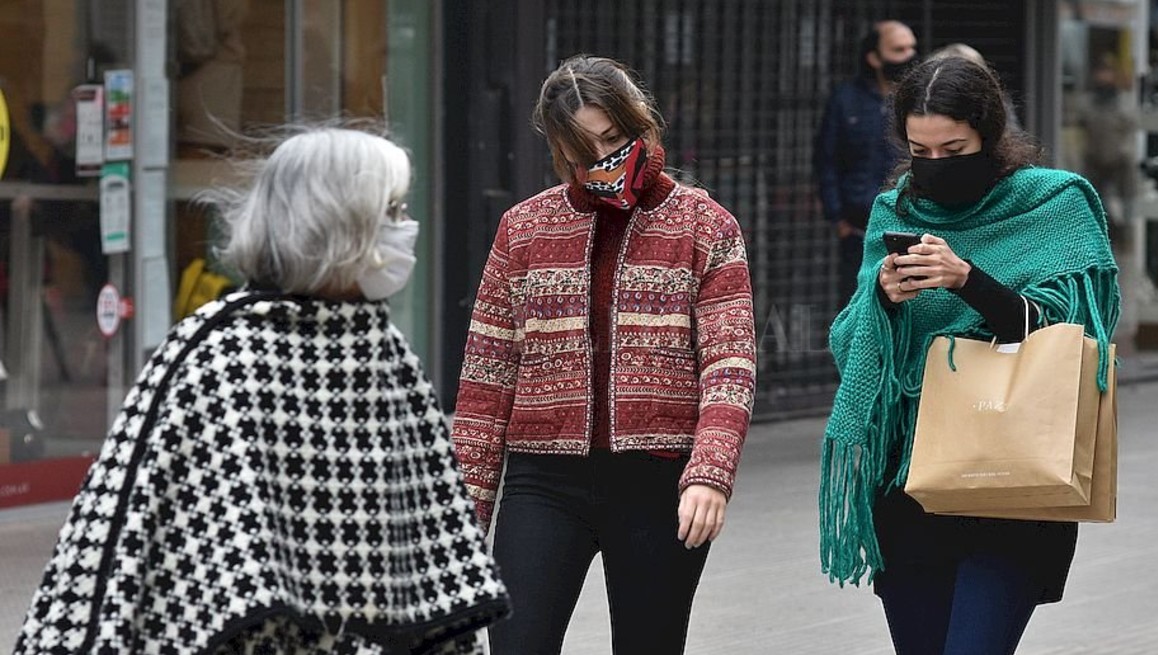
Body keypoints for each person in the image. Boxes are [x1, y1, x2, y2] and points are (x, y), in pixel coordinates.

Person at [15, 127, 509, 655]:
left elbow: (426, 550)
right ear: (336, 224)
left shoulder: (384, 353)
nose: (404, 227)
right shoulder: (217, 351)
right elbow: (153, 543)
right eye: (389, 211)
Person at [451, 55, 757, 654]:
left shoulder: (704, 225)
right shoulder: (524, 228)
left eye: (612, 140)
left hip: (656, 482)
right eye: (581, 152)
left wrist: (710, 475)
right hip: (543, 483)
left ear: (638, 123)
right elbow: (486, 382)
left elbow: (729, 363)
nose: (602, 161)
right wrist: (461, 523)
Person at [819, 57, 1119, 654]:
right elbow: (850, 345)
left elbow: (1079, 338)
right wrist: (884, 297)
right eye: (920, 151)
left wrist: (967, 281)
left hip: (1014, 477)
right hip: (909, 482)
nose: (935, 166)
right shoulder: (894, 213)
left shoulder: (1053, 205)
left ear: (989, 134)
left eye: (953, 149)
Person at [815, 20, 917, 308]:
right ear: (874, 57)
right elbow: (826, 159)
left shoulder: (916, 100)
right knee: (858, 302)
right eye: (899, 49)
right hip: (857, 228)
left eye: (912, 48)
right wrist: (838, 218)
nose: (908, 56)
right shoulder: (846, 100)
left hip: (907, 222)